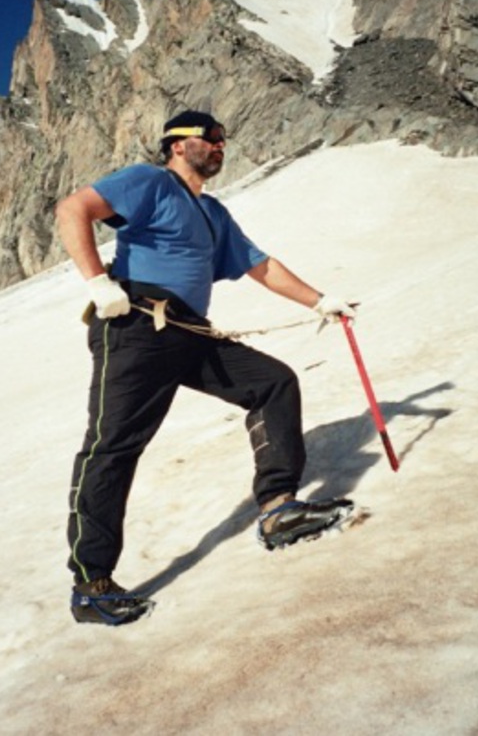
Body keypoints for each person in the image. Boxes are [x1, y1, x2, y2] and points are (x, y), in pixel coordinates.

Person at [56, 109, 357, 626]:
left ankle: (278, 509)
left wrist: (321, 301)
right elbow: (72, 209)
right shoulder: (150, 181)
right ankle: (91, 585)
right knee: (113, 447)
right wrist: (97, 284)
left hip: (189, 330)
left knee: (271, 383)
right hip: (136, 325)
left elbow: (260, 265)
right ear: (177, 144)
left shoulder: (213, 212)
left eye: (223, 138)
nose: (220, 144)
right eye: (210, 137)